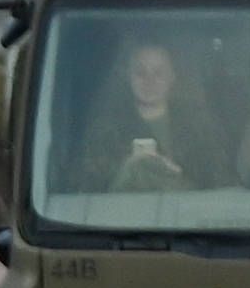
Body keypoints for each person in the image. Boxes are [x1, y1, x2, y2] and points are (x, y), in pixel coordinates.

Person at [90, 35, 212, 197]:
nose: (150, 81)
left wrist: (175, 175)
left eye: (159, 73)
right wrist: (127, 170)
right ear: (128, 76)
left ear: (172, 76)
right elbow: (86, 190)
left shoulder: (199, 124)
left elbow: (221, 185)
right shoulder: (105, 129)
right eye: (140, 72)